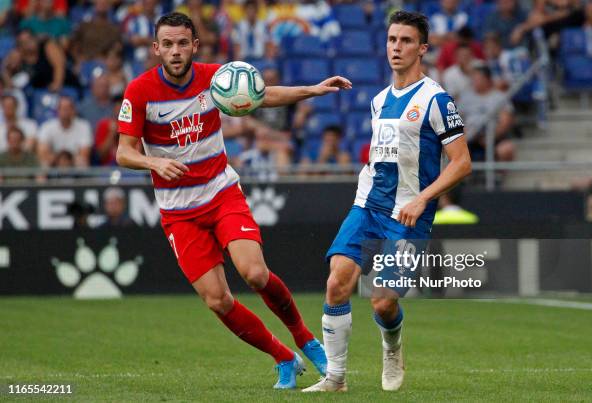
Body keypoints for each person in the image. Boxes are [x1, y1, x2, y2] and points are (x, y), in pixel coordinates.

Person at [115, 12, 352, 389]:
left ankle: (306, 339)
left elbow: (262, 95)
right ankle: (283, 357)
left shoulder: (216, 78)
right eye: (168, 44)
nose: (175, 52)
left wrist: (312, 89)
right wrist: (153, 160)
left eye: (182, 43)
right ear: (156, 48)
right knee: (217, 300)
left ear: (195, 46)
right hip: (178, 212)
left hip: (221, 194)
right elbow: (123, 153)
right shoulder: (140, 91)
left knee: (255, 273)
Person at [303, 11, 471, 392]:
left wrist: (424, 199)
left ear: (423, 48)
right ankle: (335, 378)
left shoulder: (436, 100)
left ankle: (392, 346)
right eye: (392, 39)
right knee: (336, 285)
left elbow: (462, 163)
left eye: (406, 41)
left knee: (382, 301)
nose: (396, 47)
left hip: (409, 216)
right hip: (368, 206)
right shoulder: (379, 100)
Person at [37, 96, 93, 167]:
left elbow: (84, 153)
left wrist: (66, 160)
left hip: (74, 162)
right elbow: (42, 152)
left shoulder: (84, 126)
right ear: (57, 111)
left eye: (68, 108)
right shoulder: (47, 126)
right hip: (54, 162)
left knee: (82, 162)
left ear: (74, 110)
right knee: (43, 164)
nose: (65, 111)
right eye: (63, 109)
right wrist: (60, 159)